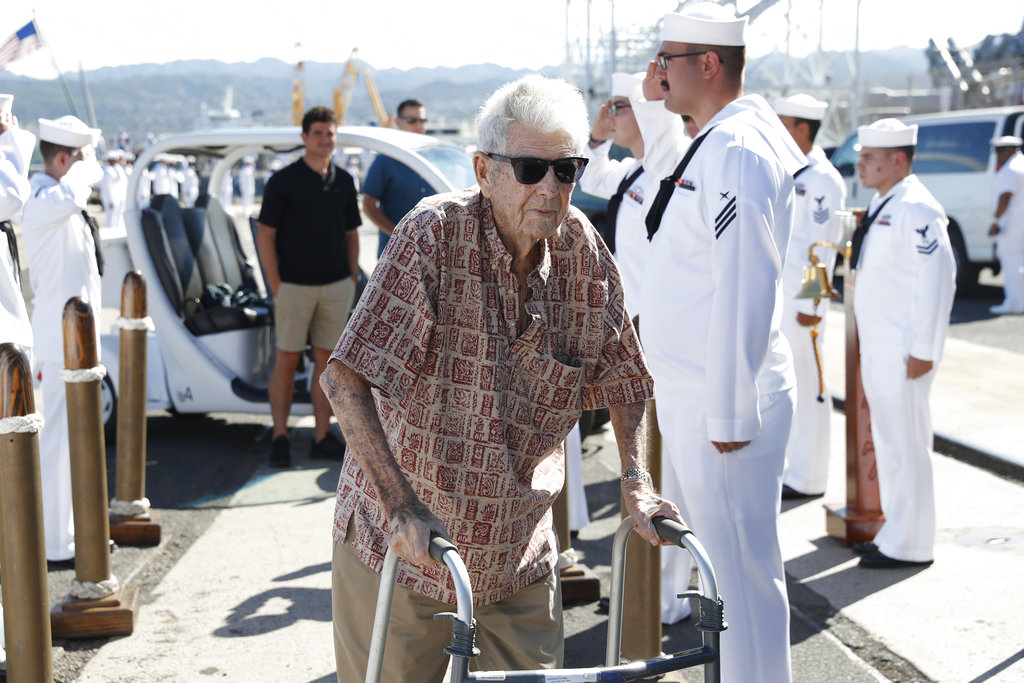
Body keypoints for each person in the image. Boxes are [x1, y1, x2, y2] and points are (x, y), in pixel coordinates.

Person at [319, 75, 682, 682]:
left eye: (566, 169)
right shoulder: (433, 235)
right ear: (485, 169)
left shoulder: (584, 255)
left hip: (519, 557)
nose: (550, 187)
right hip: (408, 554)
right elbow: (345, 381)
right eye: (531, 168)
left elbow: (627, 378)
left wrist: (638, 484)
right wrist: (402, 507)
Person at [635, 5, 806, 680]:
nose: (656, 73)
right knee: (731, 575)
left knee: (742, 578)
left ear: (707, 65)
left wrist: (731, 412)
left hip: (723, 406)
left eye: (666, 60)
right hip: (701, 397)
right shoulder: (717, 139)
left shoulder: (735, 151)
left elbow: (744, 283)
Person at [850, 118, 956, 568]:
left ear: (898, 159)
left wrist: (925, 350)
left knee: (907, 446)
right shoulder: (885, 201)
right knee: (892, 445)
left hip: (902, 351)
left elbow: (939, 280)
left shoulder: (916, 207)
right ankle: (896, 532)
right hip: (881, 346)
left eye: (869, 158)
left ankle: (911, 544)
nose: (860, 166)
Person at [20, 114, 104, 565]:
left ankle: (75, 532)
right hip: (57, 344)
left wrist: (85, 164)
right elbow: (72, 193)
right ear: (63, 159)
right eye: (77, 158)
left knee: (78, 440)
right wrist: (88, 165)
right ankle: (55, 542)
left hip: (76, 343)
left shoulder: (61, 199)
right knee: (57, 444)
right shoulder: (44, 197)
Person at [256, 106, 360, 468]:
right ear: (304, 137)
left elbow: (351, 233)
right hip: (294, 287)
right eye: (318, 133)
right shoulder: (283, 181)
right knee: (285, 360)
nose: (324, 139)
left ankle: (321, 435)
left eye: (329, 133)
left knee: (326, 364)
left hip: (335, 287)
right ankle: (280, 435)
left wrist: (350, 275)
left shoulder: (345, 181)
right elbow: (265, 233)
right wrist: (275, 284)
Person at [774, 94, 848, 499]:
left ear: (802, 128)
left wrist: (812, 305)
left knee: (811, 387)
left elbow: (823, 247)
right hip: (784, 298)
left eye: (784, 122)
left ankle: (810, 476)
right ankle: (795, 469)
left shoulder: (822, 179)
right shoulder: (794, 170)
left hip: (803, 302)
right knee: (792, 386)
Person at [581, 72, 688, 322]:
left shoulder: (675, 167)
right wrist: (597, 139)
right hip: (630, 314)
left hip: (659, 320)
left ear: (645, 111)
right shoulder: (635, 170)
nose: (610, 115)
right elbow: (591, 179)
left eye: (617, 107)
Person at [361, 99, 434, 258]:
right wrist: (398, 235)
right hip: (394, 255)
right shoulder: (385, 161)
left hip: (432, 253)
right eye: (412, 120)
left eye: (422, 120)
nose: (418, 125)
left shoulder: (434, 159)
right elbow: (368, 204)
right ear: (398, 122)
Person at [988, 135, 1024, 315]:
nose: (998, 155)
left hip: (1013, 223)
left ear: (1010, 149)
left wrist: (995, 221)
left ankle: (1015, 302)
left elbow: (1005, 197)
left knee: (1012, 262)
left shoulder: (1011, 168)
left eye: (1000, 150)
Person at [100, 148, 127, 229]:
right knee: (112, 219)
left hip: (118, 197)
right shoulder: (107, 171)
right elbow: (108, 187)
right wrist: (111, 200)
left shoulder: (117, 168)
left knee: (119, 218)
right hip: (111, 199)